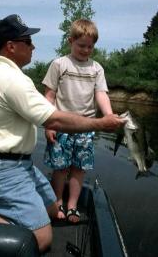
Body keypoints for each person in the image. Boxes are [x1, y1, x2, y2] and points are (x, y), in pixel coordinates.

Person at [0, 14, 126, 252]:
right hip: (3, 169)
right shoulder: (11, 80)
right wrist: (101, 124)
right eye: (28, 42)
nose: (34, 46)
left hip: (19, 165)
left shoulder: (8, 75)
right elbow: (53, 118)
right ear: (11, 46)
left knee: (54, 210)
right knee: (40, 240)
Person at [42, 19, 113, 223]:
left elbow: (101, 94)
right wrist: (49, 124)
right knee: (60, 167)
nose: (86, 50)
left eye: (90, 46)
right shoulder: (59, 64)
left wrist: (108, 115)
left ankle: (72, 204)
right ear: (70, 40)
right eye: (81, 45)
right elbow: (49, 96)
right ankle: (57, 201)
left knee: (79, 168)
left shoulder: (96, 68)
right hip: (61, 125)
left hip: (85, 127)